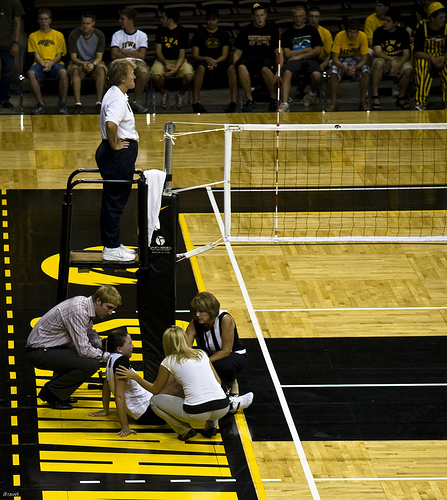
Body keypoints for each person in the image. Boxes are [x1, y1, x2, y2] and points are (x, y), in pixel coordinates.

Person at [117, 326, 231, 441]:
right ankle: (211, 426)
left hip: (197, 412)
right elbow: (218, 382)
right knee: (211, 391)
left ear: (166, 343)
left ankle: (184, 430)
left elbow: (155, 390)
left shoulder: (169, 361)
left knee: (154, 401)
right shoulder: (201, 354)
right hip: (223, 407)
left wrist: (136, 377)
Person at [26, 285, 122, 410]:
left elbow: (89, 332)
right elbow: (84, 350)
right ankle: (52, 392)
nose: (110, 313)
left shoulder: (84, 304)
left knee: (82, 356)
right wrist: (108, 357)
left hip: (50, 348)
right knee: (90, 364)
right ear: (98, 301)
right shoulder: (79, 312)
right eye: (108, 308)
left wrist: (104, 346)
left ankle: (60, 392)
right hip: (39, 352)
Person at [88, 329, 182, 437]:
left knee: (171, 378)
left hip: (144, 409)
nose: (133, 346)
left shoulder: (110, 358)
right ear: (119, 349)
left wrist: (105, 410)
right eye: (130, 343)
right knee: (178, 380)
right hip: (148, 413)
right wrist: (125, 427)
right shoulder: (122, 362)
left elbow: (106, 385)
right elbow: (119, 396)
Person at [96, 59, 139, 262]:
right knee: (114, 204)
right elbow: (111, 124)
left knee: (113, 202)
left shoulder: (117, 94)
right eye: (132, 73)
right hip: (117, 157)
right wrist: (114, 146)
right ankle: (111, 248)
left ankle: (113, 244)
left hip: (117, 156)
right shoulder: (117, 99)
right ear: (122, 78)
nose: (135, 76)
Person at [186, 291, 253, 413]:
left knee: (220, 366)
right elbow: (186, 346)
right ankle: (226, 396)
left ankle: (229, 396)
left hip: (235, 355)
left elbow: (225, 351)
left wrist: (203, 362)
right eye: (195, 311)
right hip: (213, 357)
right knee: (193, 363)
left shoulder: (224, 319)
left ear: (211, 310)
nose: (197, 314)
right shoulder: (194, 323)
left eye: (201, 311)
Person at [233, 2, 279, 112]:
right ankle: (250, 100)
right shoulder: (245, 30)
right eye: (257, 16)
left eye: (262, 15)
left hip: (266, 61)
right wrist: (236, 67)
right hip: (250, 61)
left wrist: (279, 69)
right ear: (252, 17)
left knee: (265, 67)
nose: (260, 18)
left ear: (266, 15)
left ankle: (273, 99)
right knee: (241, 66)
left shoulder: (272, 30)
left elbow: (278, 53)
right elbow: (237, 54)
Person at [190, 7, 238, 113]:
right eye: (209, 19)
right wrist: (206, 59)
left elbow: (225, 55)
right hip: (203, 61)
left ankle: (233, 102)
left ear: (218, 19)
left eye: (214, 19)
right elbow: (195, 55)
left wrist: (215, 62)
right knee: (200, 68)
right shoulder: (199, 33)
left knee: (231, 68)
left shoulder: (224, 34)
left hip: (219, 61)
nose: (211, 22)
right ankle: (195, 102)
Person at [279, 5, 322, 112]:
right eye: (296, 16)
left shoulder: (312, 30)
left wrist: (299, 55)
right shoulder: (288, 33)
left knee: (317, 76)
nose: (298, 19)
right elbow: (287, 54)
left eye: (300, 16)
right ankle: (284, 103)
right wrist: (305, 50)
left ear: (304, 17)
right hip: (294, 60)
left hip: (310, 59)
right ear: (293, 18)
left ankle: (311, 94)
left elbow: (317, 50)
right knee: (287, 72)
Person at [27, 8, 69, 115]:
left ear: (50, 20)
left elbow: (59, 55)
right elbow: (36, 54)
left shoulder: (58, 35)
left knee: (63, 72)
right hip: (39, 63)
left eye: (46, 19)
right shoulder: (33, 36)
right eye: (41, 19)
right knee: (31, 73)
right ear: (38, 21)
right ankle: (41, 104)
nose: (43, 21)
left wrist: (50, 64)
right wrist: (44, 64)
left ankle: (63, 104)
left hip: (55, 63)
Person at [151, 8, 194, 110]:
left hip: (178, 61)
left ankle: (180, 94)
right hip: (162, 60)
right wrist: (165, 63)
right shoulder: (160, 30)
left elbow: (182, 55)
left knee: (189, 76)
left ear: (170, 20)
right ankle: (164, 93)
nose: (161, 20)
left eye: (163, 17)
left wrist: (176, 68)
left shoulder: (182, 32)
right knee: (155, 76)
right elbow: (158, 51)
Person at [371, 9, 413, 110]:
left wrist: (398, 65)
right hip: (384, 58)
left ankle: (401, 96)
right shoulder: (378, 32)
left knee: (408, 70)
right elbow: (377, 52)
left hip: (400, 59)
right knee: (378, 64)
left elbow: (406, 54)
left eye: (388, 21)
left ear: (395, 23)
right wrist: (391, 60)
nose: (384, 23)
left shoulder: (403, 33)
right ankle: (375, 95)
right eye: (384, 20)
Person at [111, 7, 149, 114]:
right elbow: (114, 55)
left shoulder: (142, 35)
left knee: (143, 74)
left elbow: (141, 55)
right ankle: (118, 102)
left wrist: (123, 51)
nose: (120, 21)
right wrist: (133, 52)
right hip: (121, 61)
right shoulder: (117, 35)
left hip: (138, 62)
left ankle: (136, 102)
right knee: (116, 73)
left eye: (122, 19)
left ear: (130, 20)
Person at [67, 12, 107, 115]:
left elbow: (99, 57)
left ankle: (99, 103)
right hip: (79, 62)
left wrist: (93, 64)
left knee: (101, 70)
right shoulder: (74, 34)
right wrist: (83, 63)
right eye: (83, 23)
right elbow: (73, 57)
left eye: (88, 23)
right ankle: (78, 104)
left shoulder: (99, 35)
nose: (85, 26)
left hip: (94, 62)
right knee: (74, 70)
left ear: (93, 23)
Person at [328, 19, 370, 111]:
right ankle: (334, 102)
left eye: (355, 32)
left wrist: (356, 68)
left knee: (365, 71)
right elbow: (334, 59)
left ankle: (363, 101)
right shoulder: (339, 36)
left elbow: (365, 59)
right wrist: (345, 68)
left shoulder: (363, 36)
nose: (353, 35)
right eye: (350, 32)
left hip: (356, 58)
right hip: (341, 59)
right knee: (333, 71)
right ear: (346, 31)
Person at [413, 1, 447, 110]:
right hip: (425, 56)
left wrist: (443, 58)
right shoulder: (422, 29)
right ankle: (420, 102)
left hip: (442, 56)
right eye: (441, 17)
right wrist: (431, 58)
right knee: (422, 68)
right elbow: (417, 52)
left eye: (444, 17)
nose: (444, 20)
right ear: (432, 18)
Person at [0, 0, 24, 109]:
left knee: (7, 73)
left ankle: (4, 98)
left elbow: (17, 22)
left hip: (7, 42)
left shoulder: (14, 2)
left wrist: (16, 42)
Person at [308, 6, 333, 73]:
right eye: (311, 16)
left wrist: (324, 64)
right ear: (307, 17)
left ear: (320, 18)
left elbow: (329, 54)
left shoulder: (326, 32)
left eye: (316, 17)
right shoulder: (302, 31)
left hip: (321, 60)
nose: (313, 19)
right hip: (306, 60)